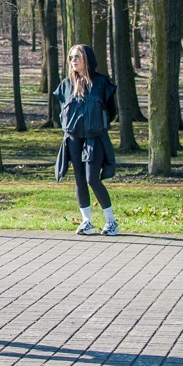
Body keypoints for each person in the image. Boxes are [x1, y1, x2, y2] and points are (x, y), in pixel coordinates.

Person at [54, 44, 120, 236]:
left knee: (92, 178)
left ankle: (111, 221)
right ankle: (87, 221)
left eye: (77, 57)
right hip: (74, 138)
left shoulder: (101, 83)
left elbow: (111, 111)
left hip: (95, 138)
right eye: (71, 57)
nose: (73, 60)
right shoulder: (65, 85)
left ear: (87, 60)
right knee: (79, 180)